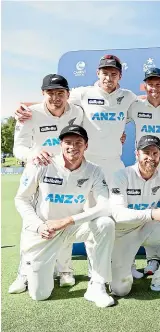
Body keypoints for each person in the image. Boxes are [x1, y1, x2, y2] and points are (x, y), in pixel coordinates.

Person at [15, 55, 141, 277]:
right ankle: (93, 272)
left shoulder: (128, 97)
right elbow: (53, 99)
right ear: (98, 74)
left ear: (120, 76)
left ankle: (124, 264)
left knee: (117, 215)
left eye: (113, 73)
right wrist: (22, 106)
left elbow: (150, 102)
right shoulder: (83, 94)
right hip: (89, 165)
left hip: (115, 164)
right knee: (94, 218)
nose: (108, 77)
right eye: (104, 73)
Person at [14, 124, 115, 307]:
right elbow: (21, 199)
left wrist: (68, 220)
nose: (73, 147)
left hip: (72, 227)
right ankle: (32, 268)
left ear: (86, 145)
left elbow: (105, 205)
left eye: (78, 142)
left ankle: (97, 286)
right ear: (60, 144)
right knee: (40, 295)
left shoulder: (94, 170)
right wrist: (39, 226)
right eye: (68, 142)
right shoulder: (42, 164)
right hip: (46, 231)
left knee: (105, 223)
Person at [9, 74, 84, 294]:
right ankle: (23, 274)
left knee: (64, 219)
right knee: (31, 223)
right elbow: (18, 148)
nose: (56, 97)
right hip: (37, 173)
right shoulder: (30, 114)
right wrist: (33, 153)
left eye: (60, 92)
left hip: (66, 174)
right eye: (51, 93)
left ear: (68, 94)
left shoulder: (77, 112)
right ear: (43, 94)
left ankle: (65, 270)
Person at [109, 135, 160, 296]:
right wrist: (151, 214)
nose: (151, 157)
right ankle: (121, 268)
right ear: (137, 154)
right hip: (122, 234)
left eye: (155, 153)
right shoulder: (121, 176)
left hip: (145, 229)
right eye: (146, 153)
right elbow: (117, 214)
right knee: (120, 290)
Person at [127, 67, 160, 276]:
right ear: (145, 86)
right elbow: (109, 122)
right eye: (150, 84)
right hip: (144, 167)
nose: (154, 88)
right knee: (145, 211)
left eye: (159, 84)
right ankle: (151, 260)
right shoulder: (135, 106)